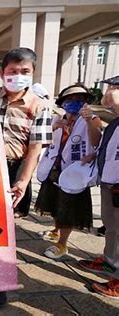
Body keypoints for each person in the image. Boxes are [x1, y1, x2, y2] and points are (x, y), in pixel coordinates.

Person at [0, 47, 53, 308]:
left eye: (24, 72)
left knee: (7, 228)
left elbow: (36, 149)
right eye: (12, 71)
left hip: (16, 168)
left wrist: (23, 181)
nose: (18, 76)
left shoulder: (39, 106)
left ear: (32, 74)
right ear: (2, 73)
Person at [35, 84, 102, 259]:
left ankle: (62, 244)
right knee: (55, 204)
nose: (74, 103)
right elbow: (42, 141)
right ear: (63, 103)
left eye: (79, 99)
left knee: (68, 209)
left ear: (86, 102)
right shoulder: (57, 118)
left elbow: (97, 142)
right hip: (54, 168)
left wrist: (87, 121)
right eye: (70, 100)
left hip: (75, 172)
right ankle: (56, 231)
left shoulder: (92, 119)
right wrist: (54, 127)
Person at [78, 75, 119, 299]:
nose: (110, 93)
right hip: (110, 183)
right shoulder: (114, 121)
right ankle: (110, 260)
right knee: (111, 226)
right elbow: (103, 143)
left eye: (113, 88)